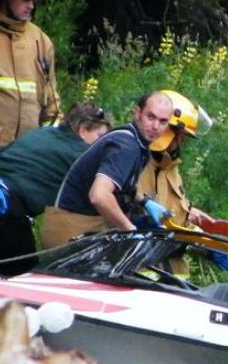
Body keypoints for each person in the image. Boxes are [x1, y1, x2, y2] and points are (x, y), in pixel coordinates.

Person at [40, 90, 173, 249]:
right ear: (137, 113)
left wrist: (144, 202)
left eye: (163, 121)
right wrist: (130, 230)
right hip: (72, 228)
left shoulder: (132, 140)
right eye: (150, 117)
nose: (155, 126)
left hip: (79, 224)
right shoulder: (126, 146)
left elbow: (122, 184)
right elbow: (99, 196)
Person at [0, 102, 111, 275]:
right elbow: (108, 188)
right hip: (7, 210)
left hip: (6, 198)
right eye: (100, 136)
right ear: (82, 130)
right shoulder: (83, 154)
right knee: (24, 277)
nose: (102, 143)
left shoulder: (39, 133)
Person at [138, 89, 228, 273]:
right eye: (180, 136)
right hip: (140, 272)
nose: (182, 142)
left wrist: (208, 245)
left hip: (171, 274)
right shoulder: (136, 163)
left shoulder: (170, 168)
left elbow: (179, 222)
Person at [0, 0, 60, 147]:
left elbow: (52, 105)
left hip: (25, 157)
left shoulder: (40, 41)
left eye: (34, 0)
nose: (31, 6)